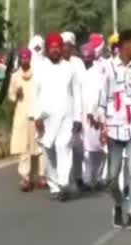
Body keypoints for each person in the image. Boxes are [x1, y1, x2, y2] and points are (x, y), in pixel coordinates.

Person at [98, 29, 131, 231]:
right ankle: (118, 203)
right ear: (125, 45)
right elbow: (102, 96)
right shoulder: (108, 67)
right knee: (112, 176)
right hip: (114, 125)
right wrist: (102, 122)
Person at [33, 32, 83, 202]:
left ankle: (62, 183)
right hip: (46, 117)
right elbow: (36, 94)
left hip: (67, 116)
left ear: (61, 49)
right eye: (52, 47)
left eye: (57, 47)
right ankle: (54, 184)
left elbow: (76, 93)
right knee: (48, 149)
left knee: (63, 146)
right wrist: (36, 117)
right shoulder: (41, 68)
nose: (55, 50)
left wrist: (78, 118)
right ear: (47, 49)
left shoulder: (69, 68)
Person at [9, 48, 44, 191]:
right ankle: (25, 177)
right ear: (19, 59)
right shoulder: (15, 76)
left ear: (30, 59)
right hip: (21, 116)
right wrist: (16, 93)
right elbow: (10, 97)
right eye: (22, 58)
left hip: (35, 115)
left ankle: (40, 176)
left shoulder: (37, 74)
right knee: (23, 149)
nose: (24, 60)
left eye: (26, 58)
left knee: (37, 148)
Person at [62, 31, 87, 192]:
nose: (66, 48)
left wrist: (80, 115)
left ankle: (78, 177)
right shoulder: (52, 64)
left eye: (68, 46)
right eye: (63, 45)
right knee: (62, 147)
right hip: (59, 112)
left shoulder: (77, 63)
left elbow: (82, 87)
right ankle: (63, 180)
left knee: (78, 147)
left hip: (77, 110)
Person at [80, 42, 107, 190]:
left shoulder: (97, 73)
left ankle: (97, 177)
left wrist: (94, 113)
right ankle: (86, 178)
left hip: (94, 114)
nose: (86, 60)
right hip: (81, 113)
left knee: (98, 148)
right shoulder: (79, 72)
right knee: (84, 149)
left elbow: (98, 94)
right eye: (84, 58)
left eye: (88, 58)